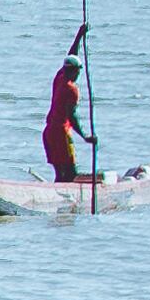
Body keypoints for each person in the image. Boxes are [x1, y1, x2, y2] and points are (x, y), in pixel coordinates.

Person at [46, 26, 91, 186]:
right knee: (71, 173)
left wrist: (79, 35)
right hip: (60, 134)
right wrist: (86, 136)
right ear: (75, 72)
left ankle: (57, 195)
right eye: (79, 71)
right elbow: (71, 116)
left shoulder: (60, 77)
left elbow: (72, 55)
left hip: (49, 132)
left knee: (60, 173)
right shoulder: (71, 89)